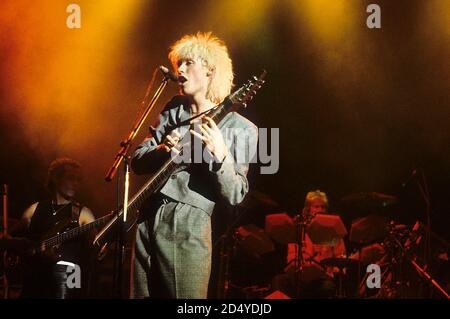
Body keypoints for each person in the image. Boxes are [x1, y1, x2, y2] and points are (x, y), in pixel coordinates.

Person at [131, 32, 258, 299]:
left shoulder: (241, 128)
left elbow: (236, 194)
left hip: (189, 219)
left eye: (189, 63)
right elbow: (137, 159)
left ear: (210, 71)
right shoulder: (174, 109)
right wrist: (163, 149)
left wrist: (221, 155)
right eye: (179, 63)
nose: (180, 69)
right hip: (148, 212)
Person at [19, 157, 95, 298]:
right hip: (36, 279)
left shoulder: (83, 213)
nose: (75, 183)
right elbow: (13, 237)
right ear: (56, 178)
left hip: (68, 279)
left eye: (79, 180)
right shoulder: (34, 209)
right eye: (71, 178)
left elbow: (97, 246)